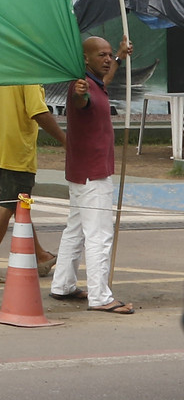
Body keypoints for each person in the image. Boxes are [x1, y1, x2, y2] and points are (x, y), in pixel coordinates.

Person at [51, 35, 135, 314]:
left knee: (75, 230)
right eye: (102, 55)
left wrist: (121, 57)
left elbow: (103, 82)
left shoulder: (97, 82)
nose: (108, 59)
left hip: (82, 171)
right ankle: (100, 297)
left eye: (110, 54)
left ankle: (62, 284)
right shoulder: (82, 87)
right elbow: (80, 99)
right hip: (93, 173)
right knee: (99, 234)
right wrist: (80, 92)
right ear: (85, 59)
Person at [0, 84, 62, 283]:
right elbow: (39, 111)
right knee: (6, 205)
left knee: (18, 206)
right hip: (17, 151)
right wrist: (66, 140)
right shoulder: (27, 74)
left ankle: (40, 256)